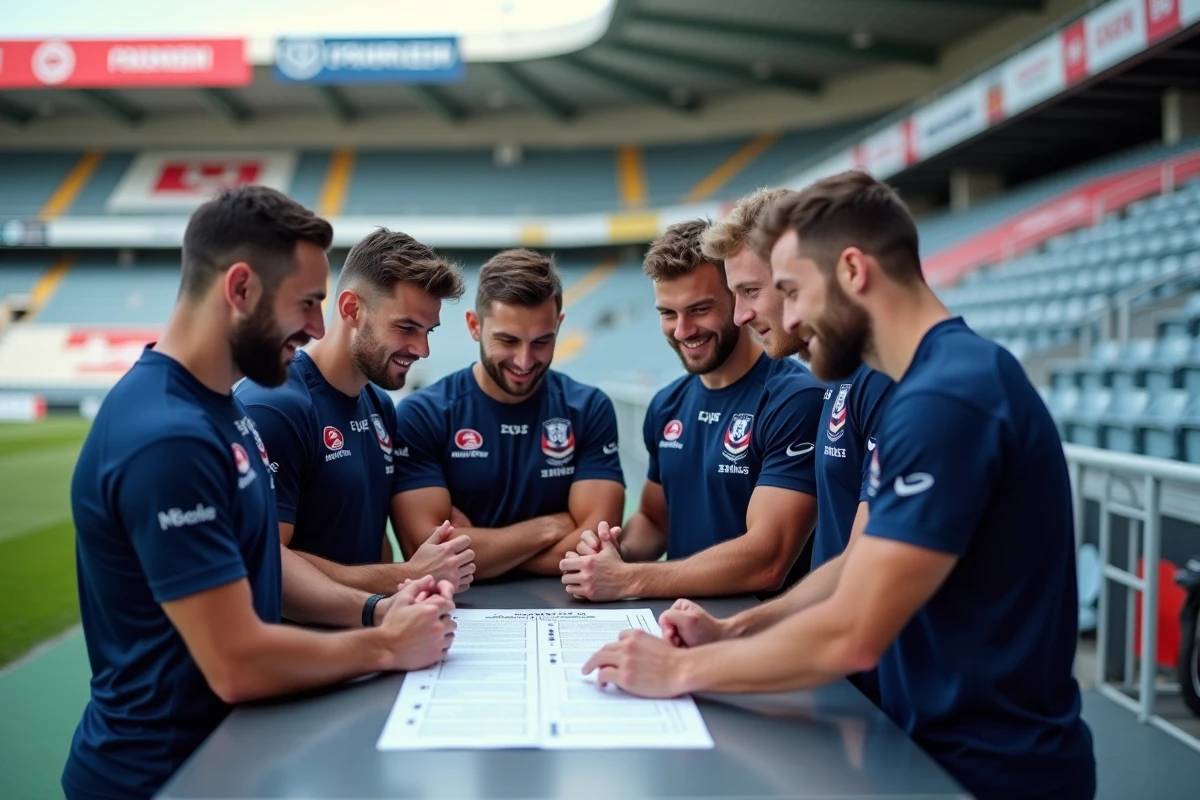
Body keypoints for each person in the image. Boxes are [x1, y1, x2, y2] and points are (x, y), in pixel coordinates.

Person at [582, 172, 1095, 800]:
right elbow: (856, 563)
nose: (774, 314)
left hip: (990, 770)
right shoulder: (886, 382)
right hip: (920, 746)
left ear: (852, 271)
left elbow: (854, 629)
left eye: (786, 290)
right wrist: (737, 631)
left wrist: (681, 669)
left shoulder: (948, 396)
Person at [63, 187, 457, 800]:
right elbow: (235, 662)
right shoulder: (168, 436)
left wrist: (379, 607)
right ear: (241, 288)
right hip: (159, 773)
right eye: (306, 303)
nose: (319, 327)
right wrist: (385, 641)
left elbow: (265, 566)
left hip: (230, 753)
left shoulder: (218, 407)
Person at [694, 186, 894, 704]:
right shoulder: (840, 378)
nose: (739, 315)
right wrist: (734, 630)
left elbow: (863, 581)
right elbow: (845, 566)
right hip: (855, 691)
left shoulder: (895, 381)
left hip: (924, 725)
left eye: (754, 290)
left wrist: (690, 667)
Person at [559, 219, 825, 601]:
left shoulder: (796, 399)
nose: (683, 330)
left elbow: (768, 561)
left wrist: (628, 579)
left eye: (699, 309)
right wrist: (616, 553)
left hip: (760, 630)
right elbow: (655, 520)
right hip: (681, 623)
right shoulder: (666, 404)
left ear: (737, 300)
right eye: (668, 313)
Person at [236, 228, 476, 599]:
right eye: (406, 327)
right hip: (299, 635)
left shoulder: (379, 405)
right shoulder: (273, 407)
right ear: (352, 309)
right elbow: (266, 563)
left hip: (371, 628)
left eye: (428, 331)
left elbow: (374, 545)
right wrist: (406, 576)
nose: (422, 349)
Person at [390, 249, 625, 579]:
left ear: (559, 326)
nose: (524, 361)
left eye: (541, 342)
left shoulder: (589, 408)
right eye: (508, 340)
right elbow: (424, 551)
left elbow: (598, 548)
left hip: (568, 603)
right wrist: (549, 527)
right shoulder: (423, 414)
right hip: (455, 607)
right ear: (474, 325)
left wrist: (484, 551)